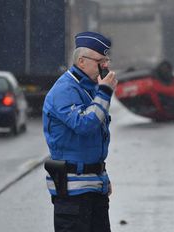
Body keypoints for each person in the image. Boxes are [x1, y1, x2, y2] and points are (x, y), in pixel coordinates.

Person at [42, 31, 117, 232]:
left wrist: (103, 176)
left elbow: (94, 141)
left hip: (94, 188)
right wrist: (105, 93)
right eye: (100, 61)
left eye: (106, 61)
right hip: (73, 194)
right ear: (82, 61)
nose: (105, 67)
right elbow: (84, 125)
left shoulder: (91, 88)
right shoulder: (64, 90)